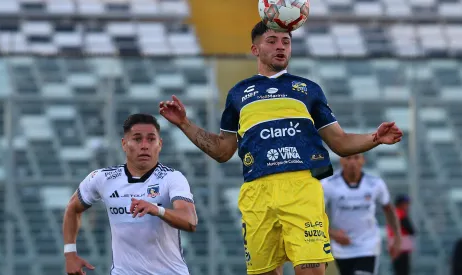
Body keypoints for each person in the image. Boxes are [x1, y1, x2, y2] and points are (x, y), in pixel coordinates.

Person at [159, 21, 403, 275]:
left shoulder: (308, 90)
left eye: (286, 42)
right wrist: (185, 124)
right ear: (255, 49)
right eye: (272, 41)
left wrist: (374, 137)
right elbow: (223, 151)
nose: (280, 47)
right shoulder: (238, 94)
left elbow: (340, 142)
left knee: (311, 271)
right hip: (257, 192)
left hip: (301, 189)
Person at [62, 113, 198, 275]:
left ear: (160, 144)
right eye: (137, 139)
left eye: (151, 139)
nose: (145, 145)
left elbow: (190, 221)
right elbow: (72, 208)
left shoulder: (172, 178)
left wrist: (157, 210)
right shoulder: (103, 178)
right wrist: (70, 254)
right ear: (124, 144)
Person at [321, 154, 402, 275]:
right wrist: (331, 233)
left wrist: (397, 237)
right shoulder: (328, 185)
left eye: (356, 158)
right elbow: (314, 214)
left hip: (368, 245)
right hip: (341, 248)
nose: (352, 162)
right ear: (342, 161)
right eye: (348, 158)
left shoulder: (375, 184)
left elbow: (388, 209)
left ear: (362, 160)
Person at [388, 194, 415, 275]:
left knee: (398, 270)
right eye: (406, 204)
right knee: (403, 270)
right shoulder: (400, 213)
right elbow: (411, 230)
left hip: (394, 245)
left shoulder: (392, 213)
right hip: (401, 246)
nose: (407, 206)